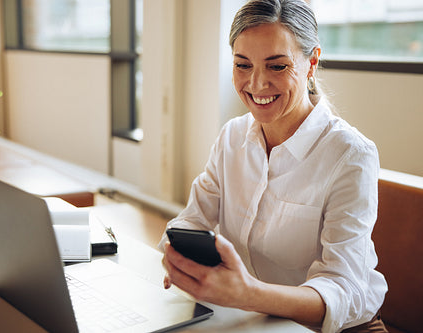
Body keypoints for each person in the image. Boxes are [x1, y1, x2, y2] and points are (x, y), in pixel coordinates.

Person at [159, 0, 388, 332]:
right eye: (242, 65)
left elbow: (345, 290)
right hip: (252, 317)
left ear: (311, 63)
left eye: (277, 66)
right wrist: (177, 258)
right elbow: (191, 222)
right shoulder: (232, 137)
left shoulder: (351, 155)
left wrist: (249, 294)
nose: (256, 83)